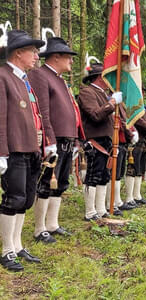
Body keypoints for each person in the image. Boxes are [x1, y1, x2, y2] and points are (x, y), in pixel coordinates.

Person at [29, 37, 85, 243]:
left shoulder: (61, 80)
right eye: (68, 57)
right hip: (53, 139)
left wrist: (76, 140)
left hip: (67, 139)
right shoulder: (39, 75)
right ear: (56, 57)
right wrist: (49, 139)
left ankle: (52, 224)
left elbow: (72, 112)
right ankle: (39, 228)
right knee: (46, 182)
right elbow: (42, 111)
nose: (71, 61)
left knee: (60, 182)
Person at [0, 30, 45, 271]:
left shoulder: (22, 79)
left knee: (26, 199)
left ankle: (17, 246)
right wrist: (1, 153)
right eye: (33, 51)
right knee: (13, 198)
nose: (37, 56)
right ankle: (6, 250)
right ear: (19, 53)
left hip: (29, 148)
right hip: (13, 149)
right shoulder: (2, 76)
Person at [77, 62, 123, 220]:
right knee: (93, 175)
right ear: (99, 78)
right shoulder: (87, 92)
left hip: (105, 139)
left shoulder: (103, 94)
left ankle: (101, 209)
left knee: (104, 175)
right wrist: (111, 103)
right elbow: (95, 115)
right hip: (94, 139)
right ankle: (90, 212)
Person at [125, 104, 146, 206]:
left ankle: (137, 195)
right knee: (132, 169)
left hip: (144, 142)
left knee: (139, 170)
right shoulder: (133, 105)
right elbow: (139, 122)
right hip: (136, 142)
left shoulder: (143, 109)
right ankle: (129, 197)